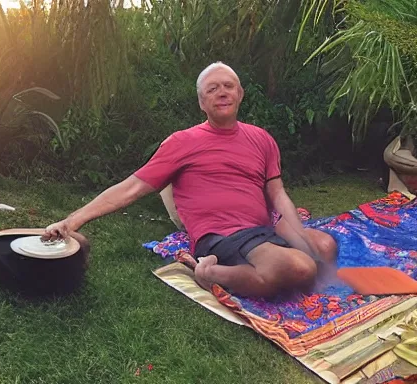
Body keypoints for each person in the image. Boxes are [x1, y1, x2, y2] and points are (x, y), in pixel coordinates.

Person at [42, 62, 338, 298]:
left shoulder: (261, 139)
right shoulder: (182, 142)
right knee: (301, 268)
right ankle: (209, 273)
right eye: (212, 89)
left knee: (324, 247)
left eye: (228, 86)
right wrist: (71, 222)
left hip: (260, 229)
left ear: (240, 93)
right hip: (221, 235)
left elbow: (278, 193)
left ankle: (268, 267)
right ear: (201, 102)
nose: (222, 92)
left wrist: (296, 231)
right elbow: (131, 188)